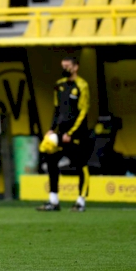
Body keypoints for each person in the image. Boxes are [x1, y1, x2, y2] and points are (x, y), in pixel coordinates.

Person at [38, 57, 90, 212]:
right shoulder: (59, 85)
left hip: (77, 135)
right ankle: (53, 201)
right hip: (60, 134)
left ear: (75, 67)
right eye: (63, 66)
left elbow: (83, 112)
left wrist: (71, 133)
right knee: (51, 161)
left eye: (67, 66)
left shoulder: (82, 85)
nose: (64, 68)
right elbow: (57, 109)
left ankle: (81, 202)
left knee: (81, 166)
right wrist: (51, 129)